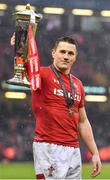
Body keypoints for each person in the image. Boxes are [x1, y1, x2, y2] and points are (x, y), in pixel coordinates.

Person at [11, 35, 102, 180]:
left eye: (70, 53)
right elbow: (22, 68)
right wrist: (19, 49)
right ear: (53, 53)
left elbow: (83, 121)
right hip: (48, 147)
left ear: (75, 57)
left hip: (74, 150)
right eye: (62, 52)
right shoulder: (41, 75)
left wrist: (95, 153)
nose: (66, 56)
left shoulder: (78, 85)